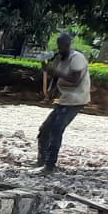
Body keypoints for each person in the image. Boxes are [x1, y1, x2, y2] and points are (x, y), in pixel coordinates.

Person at [37, 32, 91, 173]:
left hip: (77, 99)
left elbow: (74, 80)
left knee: (56, 129)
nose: (61, 48)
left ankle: (49, 166)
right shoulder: (59, 59)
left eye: (63, 45)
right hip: (65, 99)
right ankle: (41, 162)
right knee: (44, 130)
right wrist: (51, 89)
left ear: (68, 45)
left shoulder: (77, 58)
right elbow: (55, 76)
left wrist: (54, 71)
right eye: (59, 45)